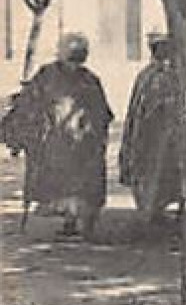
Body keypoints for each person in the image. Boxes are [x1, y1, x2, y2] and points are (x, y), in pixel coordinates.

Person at [1, 34, 114, 238]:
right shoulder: (47, 75)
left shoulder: (89, 80)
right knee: (63, 183)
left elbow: (102, 113)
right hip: (57, 142)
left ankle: (81, 222)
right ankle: (71, 221)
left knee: (85, 185)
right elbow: (30, 102)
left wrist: (95, 136)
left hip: (82, 143)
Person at [118, 34, 183, 224]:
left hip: (163, 131)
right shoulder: (153, 76)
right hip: (154, 132)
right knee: (154, 167)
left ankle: (159, 206)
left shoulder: (156, 74)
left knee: (164, 168)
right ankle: (152, 208)